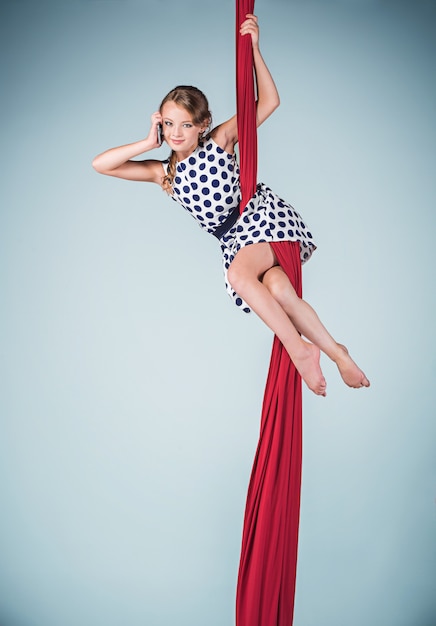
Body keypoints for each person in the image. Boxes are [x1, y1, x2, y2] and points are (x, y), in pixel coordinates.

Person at [92, 14, 370, 397]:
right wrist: (146, 142)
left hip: (258, 217)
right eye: (169, 124)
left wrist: (254, 50)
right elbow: (101, 165)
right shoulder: (163, 173)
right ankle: (337, 352)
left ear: (202, 124)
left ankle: (300, 351)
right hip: (234, 241)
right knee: (281, 294)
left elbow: (269, 101)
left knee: (241, 278)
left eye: (185, 125)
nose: (176, 133)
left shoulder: (221, 139)